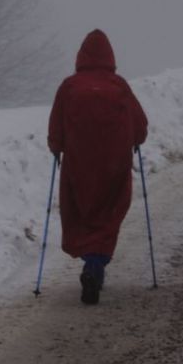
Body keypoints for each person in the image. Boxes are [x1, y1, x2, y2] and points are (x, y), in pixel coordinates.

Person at [48, 29, 148, 305]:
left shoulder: (69, 86)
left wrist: (56, 146)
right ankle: (96, 264)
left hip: (78, 164)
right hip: (114, 163)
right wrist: (137, 139)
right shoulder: (119, 86)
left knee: (80, 212)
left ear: (81, 56)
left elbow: (56, 123)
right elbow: (139, 124)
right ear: (110, 56)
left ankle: (91, 261)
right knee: (109, 212)